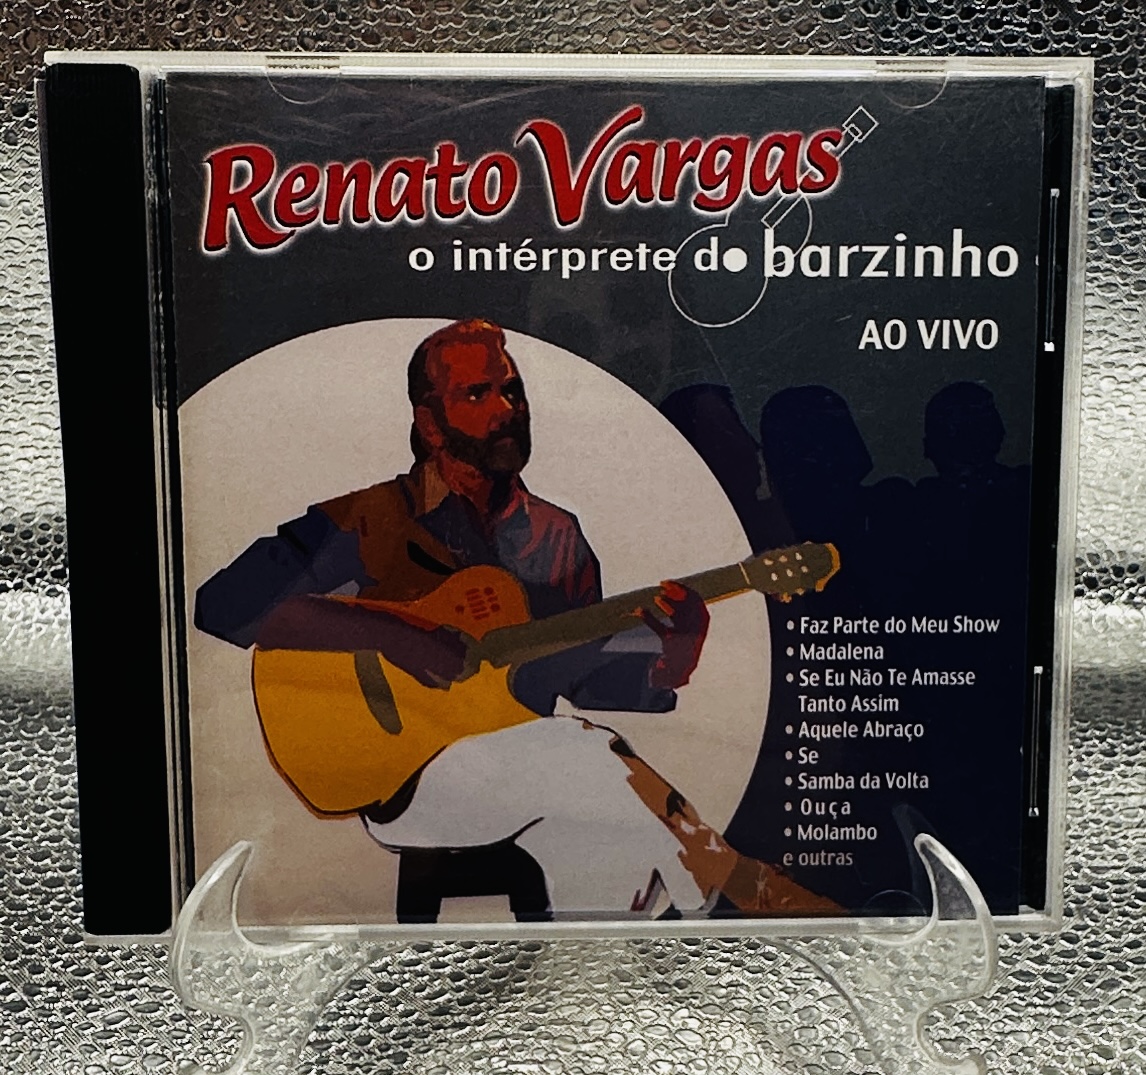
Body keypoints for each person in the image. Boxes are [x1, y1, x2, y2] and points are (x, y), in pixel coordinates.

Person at [195, 319, 837, 918]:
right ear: (430, 422)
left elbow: (578, 677)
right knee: (587, 753)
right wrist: (397, 634)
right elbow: (225, 605)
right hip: (405, 780)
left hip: (530, 769)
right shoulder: (367, 519)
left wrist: (673, 656)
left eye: (512, 390)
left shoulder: (555, 535)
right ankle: (741, 887)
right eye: (477, 395)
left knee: (613, 835)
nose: (507, 410)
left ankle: (600, 984)